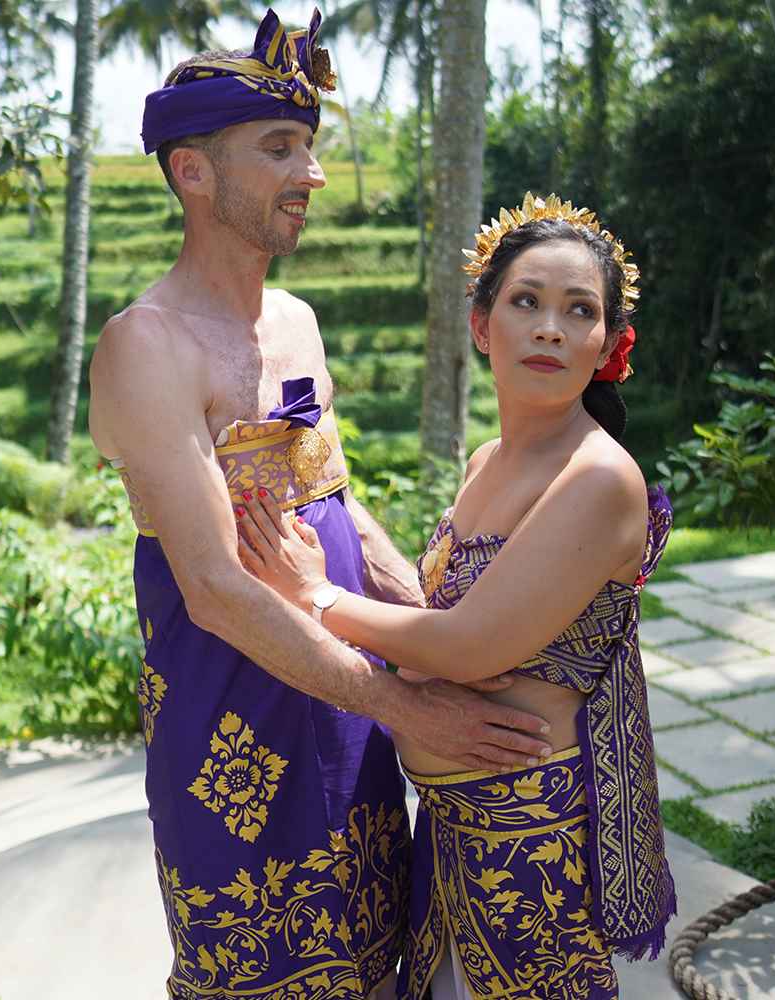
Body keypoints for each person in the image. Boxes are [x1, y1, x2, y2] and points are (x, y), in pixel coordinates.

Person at [87, 11, 553, 1000]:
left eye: (310, 147)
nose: (313, 175)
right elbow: (212, 587)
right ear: (193, 173)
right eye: (280, 149)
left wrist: (443, 636)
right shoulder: (146, 347)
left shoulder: (296, 320)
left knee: (381, 956)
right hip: (232, 728)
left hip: (344, 701)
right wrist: (398, 696)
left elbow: (342, 508)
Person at [234, 193, 678, 1000]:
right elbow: (438, 604)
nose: (550, 327)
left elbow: (471, 644)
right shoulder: (486, 461)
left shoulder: (600, 478)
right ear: (483, 326)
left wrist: (316, 594)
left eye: (579, 311)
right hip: (450, 824)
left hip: (532, 836)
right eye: (526, 302)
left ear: (608, 344)